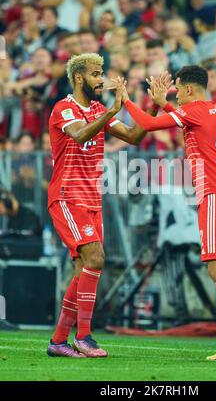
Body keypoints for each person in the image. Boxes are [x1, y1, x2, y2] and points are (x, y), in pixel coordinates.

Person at [120, 65, 216, 361]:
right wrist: (164, 104)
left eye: (177, 91)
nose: (176, 97)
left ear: (187, 89)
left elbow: (145, 123)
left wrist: (126, 100)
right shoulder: (214, 111)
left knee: (215, 265)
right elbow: (189, 123)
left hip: (215, 192)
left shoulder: (194, 110)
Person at [46, 52, 156, 358]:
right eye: (96, 74)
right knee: (95, 258)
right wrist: (110, 112)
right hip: (68, 195)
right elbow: (80, 135)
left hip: (92, 198)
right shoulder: (64, 108)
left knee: (84, 269)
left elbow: (134, 136)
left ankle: (57, 341)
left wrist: (154, 107)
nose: (101, 79)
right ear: (79, 77)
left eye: (102, 73)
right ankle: (84, 336)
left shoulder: (96, 108)